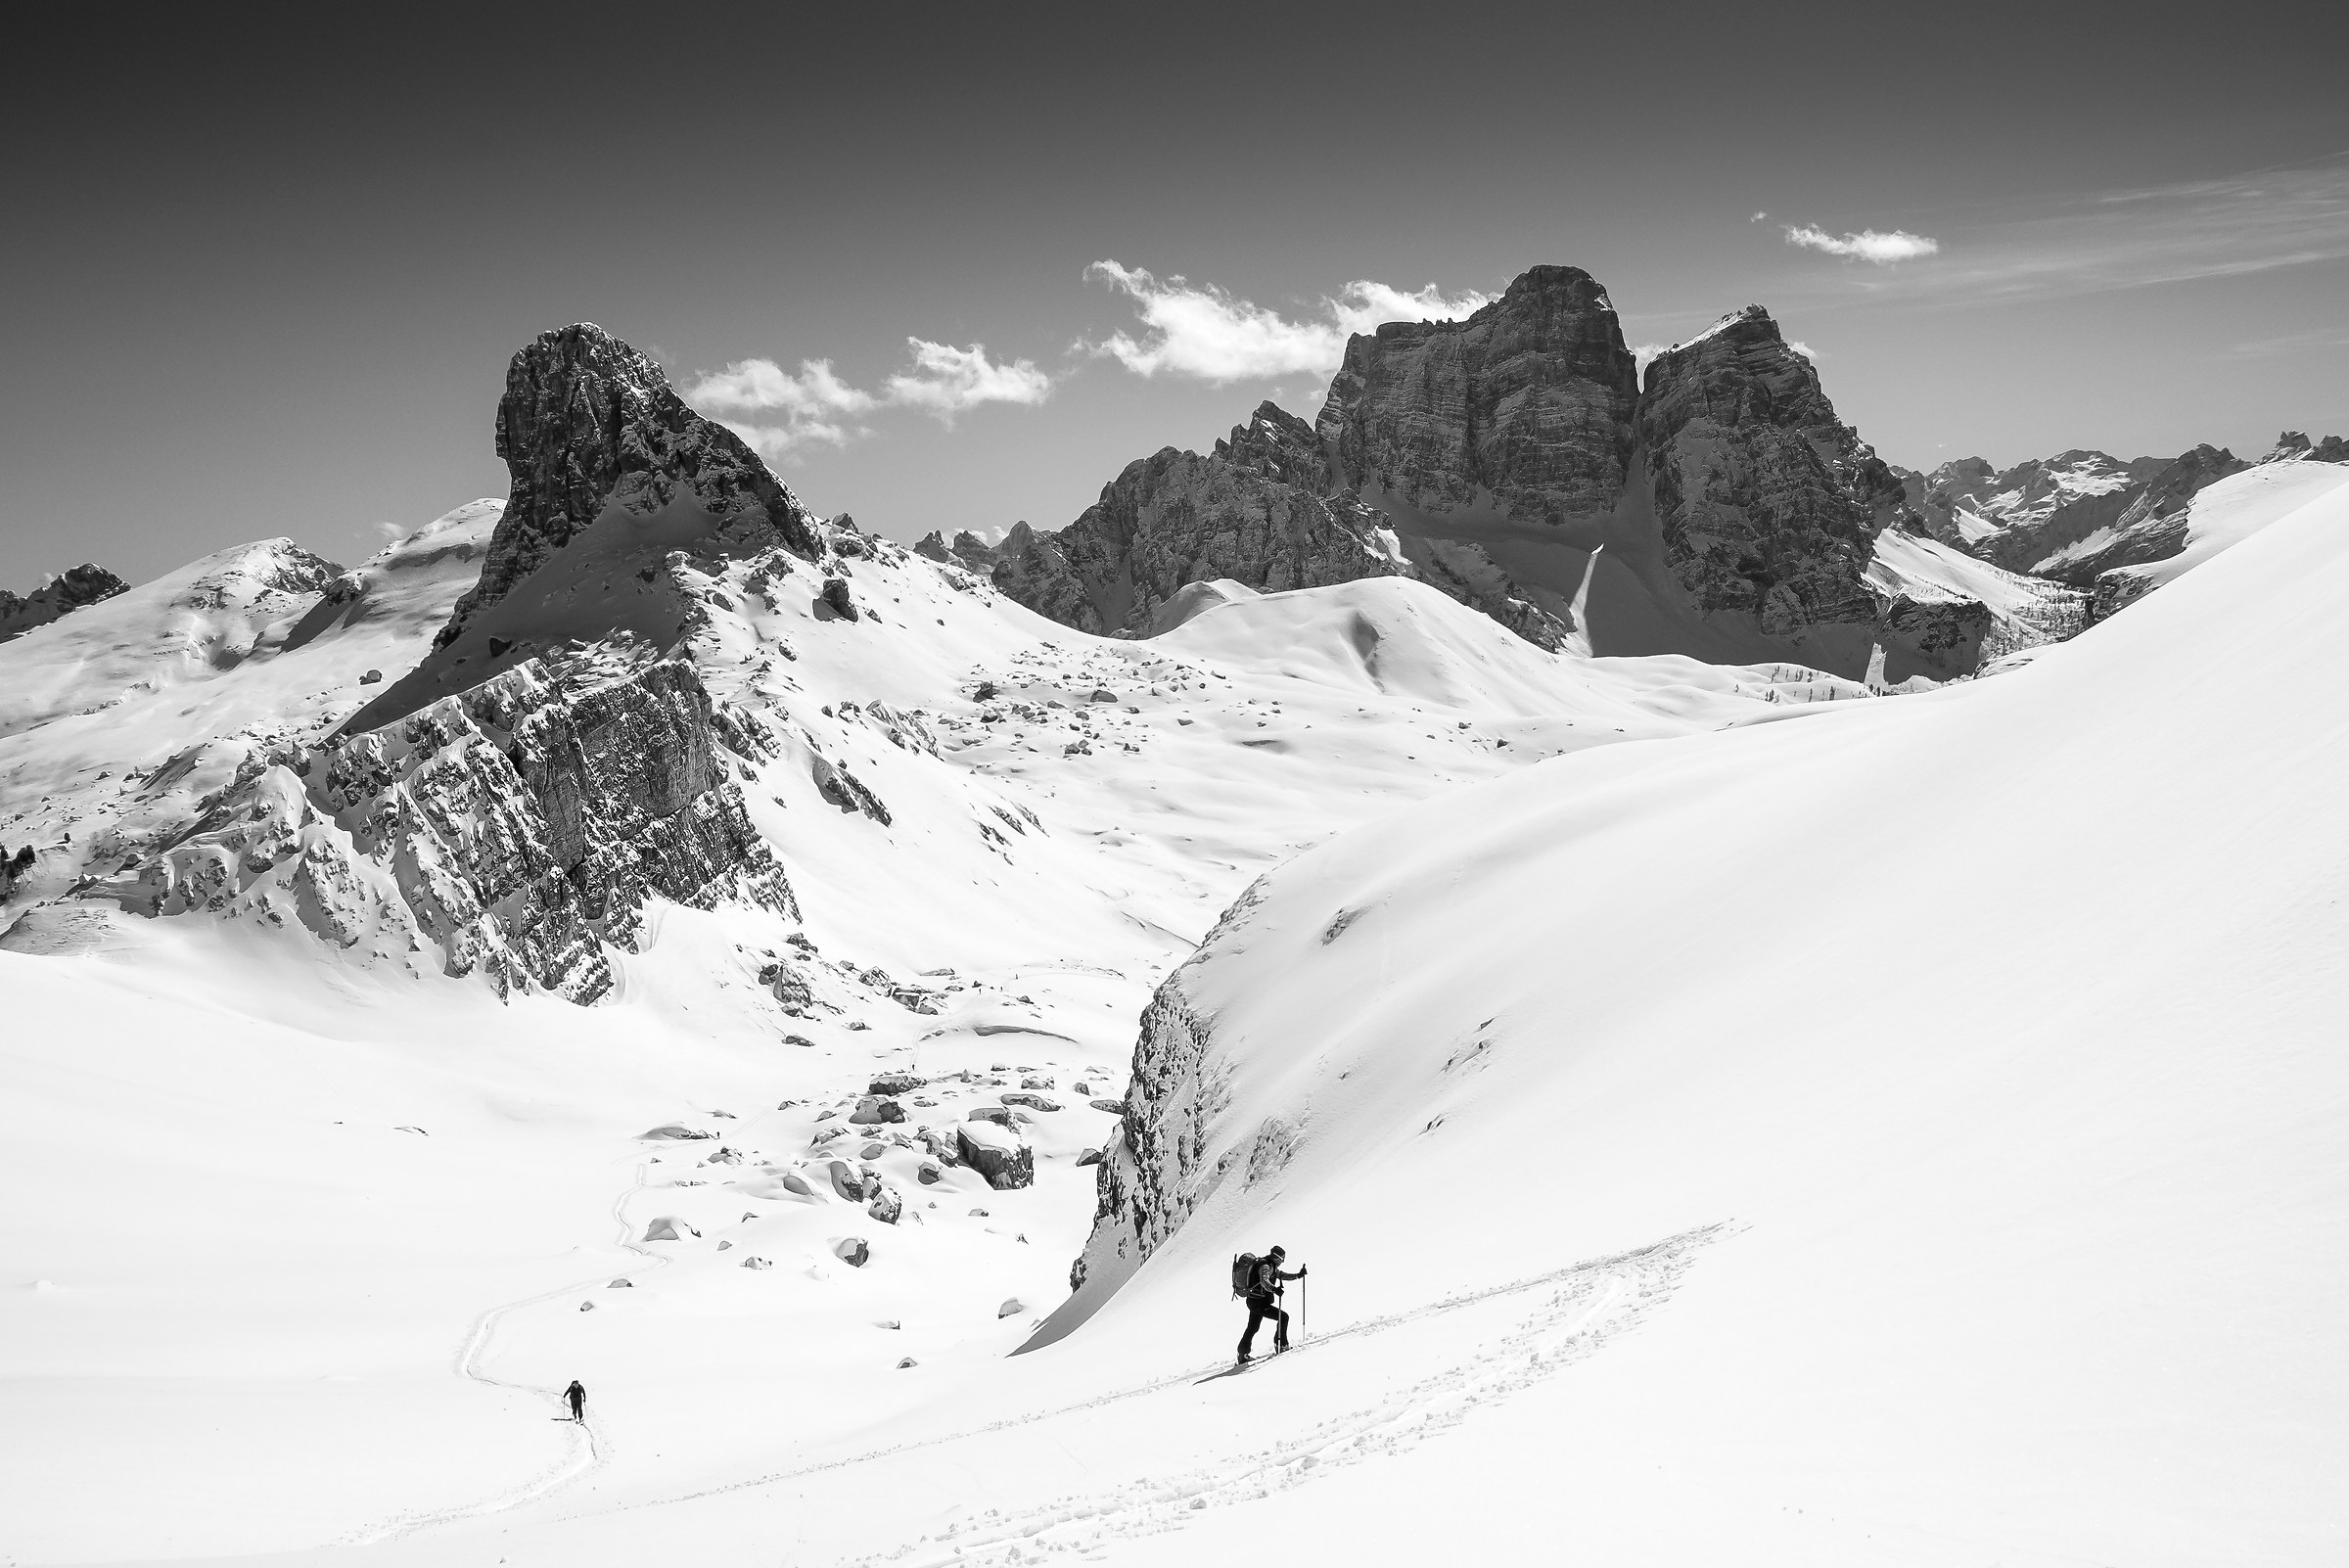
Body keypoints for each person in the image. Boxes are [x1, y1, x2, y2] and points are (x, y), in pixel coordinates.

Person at [1237, 1245, 1306, 1362]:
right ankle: (1281, 1345)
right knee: (1283, 1317)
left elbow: (1281, 1275)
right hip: (1259, 1303)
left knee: (1253, 1327)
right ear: (1277, 1257)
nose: (1282, 1261)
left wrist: (1298, 1275)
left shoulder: (1269, 1264)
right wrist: (1274, 1289)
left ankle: (1242, 1354)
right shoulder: (1265, 1266)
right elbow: (1264, 1280)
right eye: (1282, 1259)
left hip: (1254, 1301)